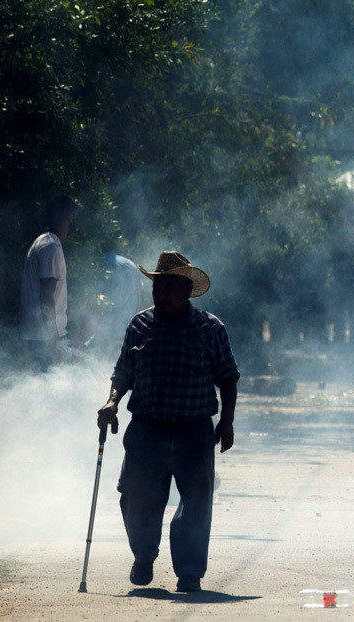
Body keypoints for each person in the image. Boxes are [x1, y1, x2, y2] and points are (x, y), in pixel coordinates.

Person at [97, 251, 240, 593]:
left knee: (195, 503)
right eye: (157, 287)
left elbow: (228, 377)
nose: (161, 294)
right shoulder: (140, 325)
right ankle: (144, 556)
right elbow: (123, 372)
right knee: (134, 497)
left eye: (169, 288)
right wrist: (112, 401)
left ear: (187, 291)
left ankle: (189, 572)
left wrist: (228, 421)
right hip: (147, 430)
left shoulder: (209, 327)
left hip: (194, 431)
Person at [19, 194, 81, 371]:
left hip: (39, 335)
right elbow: (47, 297)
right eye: (72, 216)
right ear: (68, 217)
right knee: (49, 387)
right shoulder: (50, 247)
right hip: (44, 337)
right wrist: (54, 342)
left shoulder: (45, 241)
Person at [88, 241, 145, 354]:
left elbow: (96, 304)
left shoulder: (100, 264)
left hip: (106, 332)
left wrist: (86, 332)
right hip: (129, 331)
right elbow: (140, 296)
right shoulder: (131, 265)